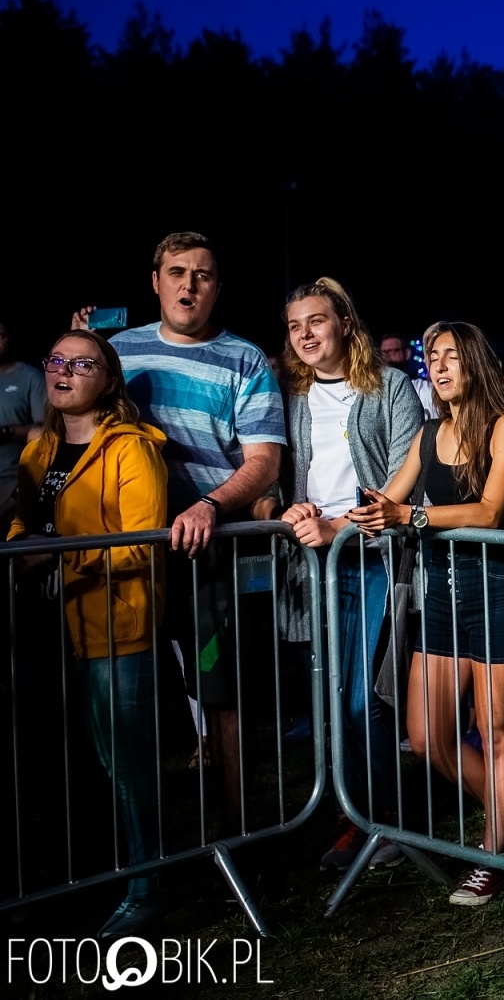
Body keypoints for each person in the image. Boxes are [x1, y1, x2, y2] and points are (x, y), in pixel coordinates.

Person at [72, 232, 286, 834]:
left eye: (203, 275)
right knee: (122, 703)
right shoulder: (118, 350)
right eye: (177, 272)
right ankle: (135, 849)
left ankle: (241, 836)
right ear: (155, 281)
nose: (189, 285)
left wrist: (210, 507)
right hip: (128, 558)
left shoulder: (244, 358)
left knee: (223, 699)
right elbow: (75, 425)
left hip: (208, 558)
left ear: (218, 288)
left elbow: (265, 461)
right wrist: (80, 357)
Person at [349, 321, 504, 906]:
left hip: (497, 591)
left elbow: (489, 511)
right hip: (444, 597)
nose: (441, 366)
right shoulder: (429, 433)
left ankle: (496, 851)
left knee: (499, 733)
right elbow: (390, 500)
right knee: (427, 735)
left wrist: (414, 519)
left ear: (475, 362)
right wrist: (331, 522)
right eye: (434, 357)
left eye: (452, 356)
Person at [8, 330, 167, 938]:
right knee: (68, 765)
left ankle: (147, 886)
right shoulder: (36, 453)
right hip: (48, 628)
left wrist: (58, 557)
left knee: (126, 762)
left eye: (83, 363)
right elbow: (24, 524)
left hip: (113, 624)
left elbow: (143, 541)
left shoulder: (130, 448)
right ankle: (84, 880)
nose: (64, 371)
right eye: (55, 360)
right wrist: (27, 551)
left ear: (109, 380)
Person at [268, 278, 424, 871]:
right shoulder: (289, 396)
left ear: (344, 324)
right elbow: (280, 482)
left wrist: (343, 527)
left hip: (374, 561)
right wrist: (291, 510)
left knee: (365, 700)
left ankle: (387, 823)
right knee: (331, 703)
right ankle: (352, 818)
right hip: (314, 569)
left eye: (317, 321)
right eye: (294, 326)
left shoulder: (390, 388)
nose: (305, 334)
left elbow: (406, 484)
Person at [0, 319, 47, 526]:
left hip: (12, 482)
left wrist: (6, 431)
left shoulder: (30, 377)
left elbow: (46, 431)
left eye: (0, 336)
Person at [380, 332, 436, 419]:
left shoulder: (423, 390)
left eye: (392, 351)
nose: (387, 356)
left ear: (407, 353)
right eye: (383, 352)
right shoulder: (375, 392)